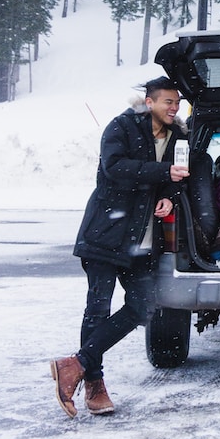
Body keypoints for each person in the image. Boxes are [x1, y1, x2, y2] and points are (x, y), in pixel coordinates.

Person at [49, 77, 189, 417]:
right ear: (150, 101)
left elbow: (178, 179)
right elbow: (115, 169)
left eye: (177, 102)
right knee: (97, 308)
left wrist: (169, 198)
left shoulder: (179, 138)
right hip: (106, 232)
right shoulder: (122, 127)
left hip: (142, 241)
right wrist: (163, 173)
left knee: (142, 308)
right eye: (167, 102)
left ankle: (76, 364)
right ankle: (94, 382)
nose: (174, 107)